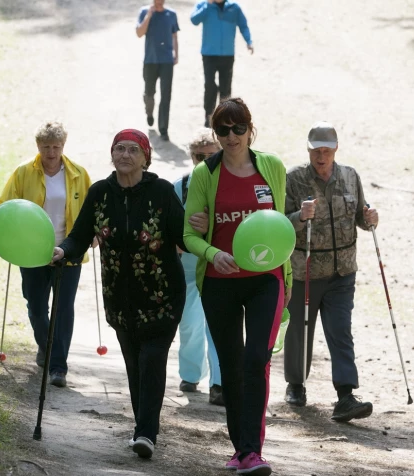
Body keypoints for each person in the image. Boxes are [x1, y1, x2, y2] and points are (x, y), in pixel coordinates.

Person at [52, 129, 207, 459]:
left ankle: (146, 433)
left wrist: (203, 232)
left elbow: (183, 236)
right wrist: (62, 252)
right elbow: (79, 237)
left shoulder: (162, 192)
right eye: (119, 149)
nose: (124, 155)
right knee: (135, 365)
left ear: (145, 157)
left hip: (162, 297)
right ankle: (144, 426)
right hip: (119, 301)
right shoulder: (99, 194)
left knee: (152, 360)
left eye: (132, 150)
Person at [183, 98, 292, 476]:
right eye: (223, 130)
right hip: (220, 282)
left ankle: (253, 451)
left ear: (250, 128)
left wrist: (287, 279)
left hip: (266, 279)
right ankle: (239, 449)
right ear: (215, 133)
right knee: (230, 366)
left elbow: (281, 227)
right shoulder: (205, 174)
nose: (231, 137)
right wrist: (213, 253)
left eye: (238, 128)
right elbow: (187, 234)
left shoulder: (272, 167)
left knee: (256, 360)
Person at [282, 121, 379, 423]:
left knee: (340, 331)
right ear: (308, 150)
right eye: (315, 151)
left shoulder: (350, 177)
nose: (320, 157)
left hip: (342, 271)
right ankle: (296, 384)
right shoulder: (293, 179)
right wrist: (300, 216)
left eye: (326, 151)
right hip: (304, 270)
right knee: (299, 330)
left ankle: (345, 395)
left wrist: (370, 218)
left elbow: (360, 219)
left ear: (336, 148)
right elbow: (280, 222)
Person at [0, 121, 91, 388]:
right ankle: (46, 346)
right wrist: (9, 238)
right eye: (46, 147)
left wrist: (94, 233)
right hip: (32, 251)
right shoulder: (23, 172)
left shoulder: (78, 174)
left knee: (63, 309)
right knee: (36, 306)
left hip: (68, 250)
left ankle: (58, 366)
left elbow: (91, 208)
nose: (51, 152)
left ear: (63, 146)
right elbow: (5, 206)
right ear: (38, 146)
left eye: (56, 147)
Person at [172, 128, 223, 406]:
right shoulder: (179, 187)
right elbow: (167, 225)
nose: (204, 160)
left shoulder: (229, 183)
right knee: (190, 323)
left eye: (210, 155)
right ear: (191, 157)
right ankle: (191, 375)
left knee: (218, 325)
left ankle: (219, 383)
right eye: (199, 156)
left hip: (220, 263)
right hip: (189, 264)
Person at [190, 0, 253, 128]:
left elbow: (243, 24)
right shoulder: (204, 5)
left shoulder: (234, 7)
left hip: (227, 55)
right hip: (209, 54)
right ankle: (208, 118)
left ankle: (223, 117)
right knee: (210, 86)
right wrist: (208, 5)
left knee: (225, 88)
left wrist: (249, 41)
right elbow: (194, 20)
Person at [136, 0, 180, 142]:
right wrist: (149, 15)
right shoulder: (144, 12)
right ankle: (149, 112)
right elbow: (139, 33)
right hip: (150, 60)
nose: (159, 2)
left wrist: (176, 54)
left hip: (167, 61)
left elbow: (174, 36)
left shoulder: (171, 14)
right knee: (149, 93)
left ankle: (163, 129)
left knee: (166, 95)